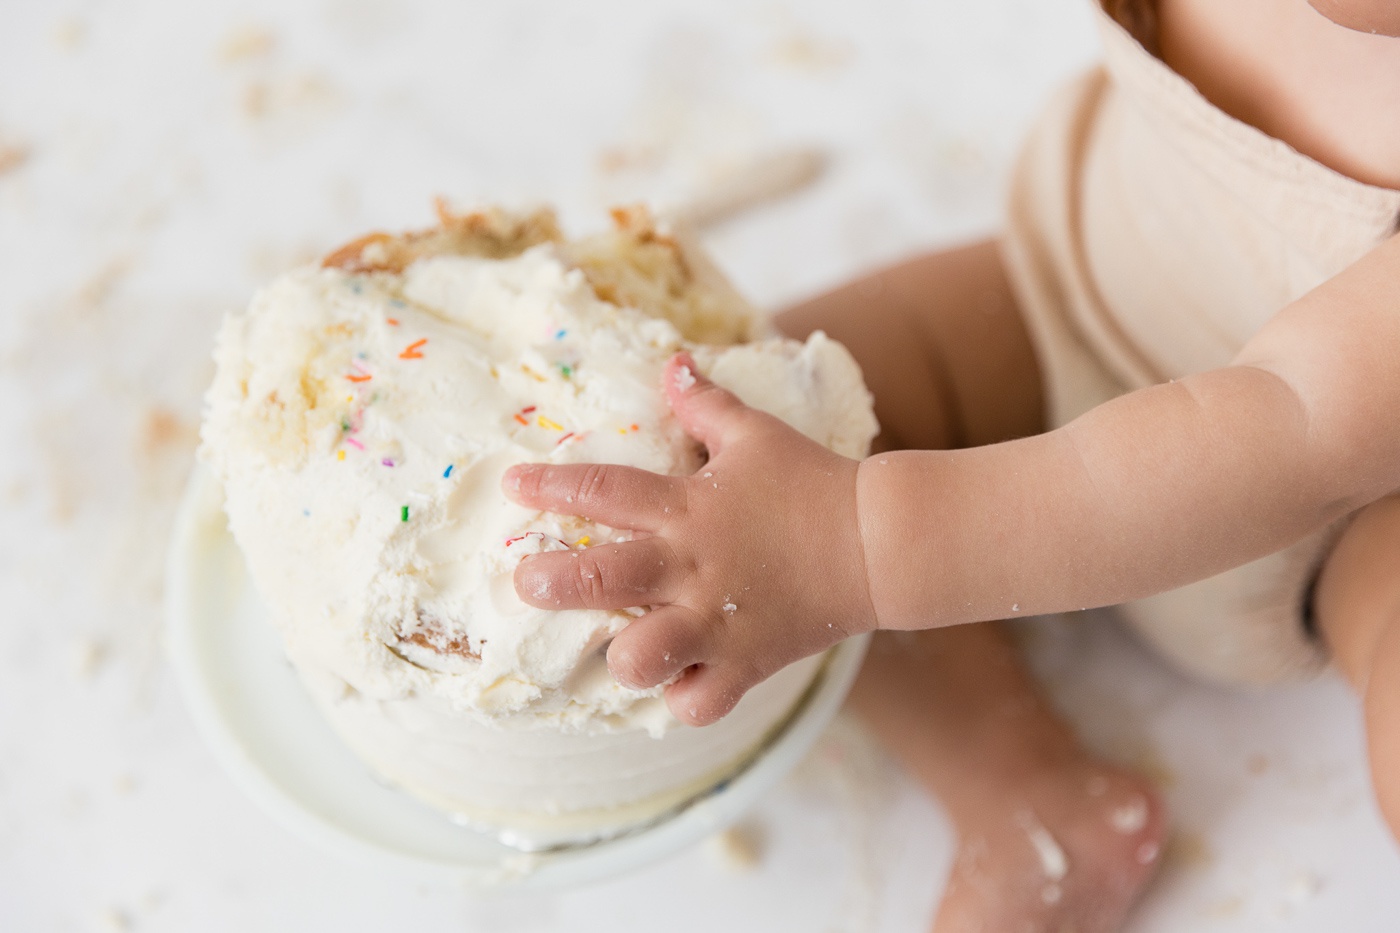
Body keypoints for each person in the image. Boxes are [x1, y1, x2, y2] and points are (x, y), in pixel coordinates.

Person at [503, 1, 1400, 929]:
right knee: (766, 419)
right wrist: (808, 524)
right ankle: (1025, 790)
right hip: (1065, 297)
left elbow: (1295, 422)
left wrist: (854, 544)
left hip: (1338, 523)